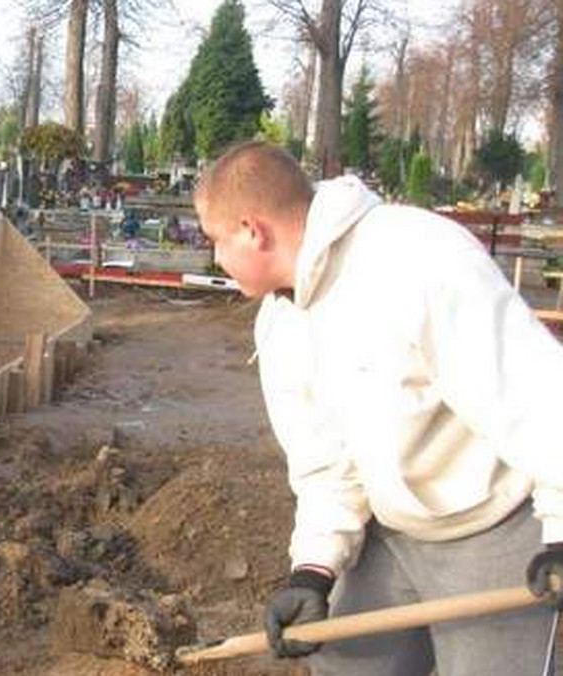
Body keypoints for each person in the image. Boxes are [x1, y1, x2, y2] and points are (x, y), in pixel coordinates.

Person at [193, 140, 563, 675]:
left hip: (494, 528)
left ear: (254, 231)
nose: (215, 259)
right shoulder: (282, 322)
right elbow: (324, 462)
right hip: (393, 531)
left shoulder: (417, 259)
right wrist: (314, 571)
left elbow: (534, 394)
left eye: (215, 241)